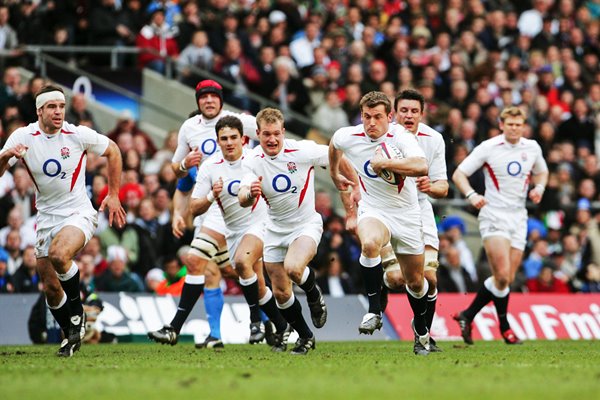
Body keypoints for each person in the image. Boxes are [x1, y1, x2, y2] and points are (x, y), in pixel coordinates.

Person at [0, 84, 126, 357]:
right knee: (50, 286)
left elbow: (113, 150)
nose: (58, 112)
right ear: (39, 111)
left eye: (61, 106)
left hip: (78, 212)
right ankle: (71, 335)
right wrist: (7, 156)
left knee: (59, 255)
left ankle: (77, 313)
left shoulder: (76, 134)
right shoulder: (23, 136)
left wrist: (114, 194)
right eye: (52, 107)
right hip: (46, 217)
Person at [149, 79, 256, 349]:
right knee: (204, 268)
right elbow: (180, 177)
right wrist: (178, 211)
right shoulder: (189, 129)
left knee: (242, 270)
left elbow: (270, 133)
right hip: (210, 211)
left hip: (242, 207)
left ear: (221, 100)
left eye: (213, 96)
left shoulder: (239, 122)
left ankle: (267, 321)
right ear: (198, 101)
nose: (209, 101)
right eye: (204, 97)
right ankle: (215, 334)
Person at [329, 91, 431, 356]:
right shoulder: (347, 135)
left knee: (415, 282)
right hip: (374, 209)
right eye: (366, 117)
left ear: (390, 117)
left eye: (377, 117)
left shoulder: (401, 136)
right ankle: (374, 311)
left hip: (407, 214)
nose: (371, 122)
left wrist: (385, 162)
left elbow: (421, 165)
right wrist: (334, 173)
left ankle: (420, 329)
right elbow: (333, 147)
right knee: (370, 243)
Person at [188, 115, 292, 350]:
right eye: (223, 138)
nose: (229, 142)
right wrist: (208, 193)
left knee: (242, 264)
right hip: (232, 229)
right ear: (216, 140)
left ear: (243, 138)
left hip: (260, 223)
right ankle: (279, 324)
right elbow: (193, 207)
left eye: (233, 137)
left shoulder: (255, 158)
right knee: (258, 283)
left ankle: (254, 321)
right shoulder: (210, 166)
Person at [238, 107, 333, 355]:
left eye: (276, 134)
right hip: (274, 229)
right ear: (257, 134)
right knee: (280, 292)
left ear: (283, 132)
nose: (272, 139)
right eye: (266, 134)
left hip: (305, 224)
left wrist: (348, 183)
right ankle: (306, 337)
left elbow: (335, 154)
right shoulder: (251, 160)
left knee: (293, 268)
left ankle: (314, 294)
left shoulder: (303, 150)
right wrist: (249, 194)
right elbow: (242, 195)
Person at [452, 106, 548, 345]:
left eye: (519, 124)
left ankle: (468, 314)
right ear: (501, 125)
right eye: (510, 124)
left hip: (519, 217)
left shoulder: (532, 147)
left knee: (506, 279)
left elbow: (542, 172)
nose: (514, 128)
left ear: (524, 126)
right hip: (493, 215)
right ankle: (505, 328)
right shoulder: (489, 147)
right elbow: (459, 174)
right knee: (502, 276)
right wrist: (472, 195)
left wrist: (539, 188)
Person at [380, 89, 449, 352]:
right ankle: (382, 281)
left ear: (422, 113)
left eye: (414, 111)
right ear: (394, 113)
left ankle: (423, 337)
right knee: (398, 279)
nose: (408, 115)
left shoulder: (434, 139)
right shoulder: (382, 134)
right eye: (404, 111)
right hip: (389, 208)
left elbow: (443, 186)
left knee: (429, 278)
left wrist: (430, 187)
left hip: (420, 208)